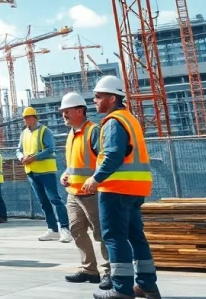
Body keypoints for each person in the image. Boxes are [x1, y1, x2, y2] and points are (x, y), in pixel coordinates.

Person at [81, 76, 159, 299]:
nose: (94, 101)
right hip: (135, 190)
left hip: (116, 190)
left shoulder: (113, 121)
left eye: (98, 96)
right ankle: (147, 285)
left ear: (112, 98)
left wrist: (95, 179)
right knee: (136, 237)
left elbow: (114, 155)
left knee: (114, 237)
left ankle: (122, 289)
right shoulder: (129, 119)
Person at [59, 92, 112, 291]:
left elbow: (105, 160)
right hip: (74, 193)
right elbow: (73, 165)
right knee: (76, 230)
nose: (63, 114)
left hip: (92, 193)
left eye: (67, 110)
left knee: (102, 234)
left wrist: (95, 181)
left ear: (80, 111)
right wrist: (65, 174)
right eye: (63, 111)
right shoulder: (71, 134)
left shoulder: (93, 132)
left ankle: (110, 272)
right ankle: (89, 270)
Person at [21, 106, 73, 242]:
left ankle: (65, 228)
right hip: (31, 172)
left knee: (55, 199)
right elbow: (18, 149)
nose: (26, 121)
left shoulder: (45, 131)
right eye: (24, 118)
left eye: (28, 118)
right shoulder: (24, 133)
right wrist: (21, 157)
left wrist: (34, 157)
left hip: (46, 171)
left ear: (34, 117)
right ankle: (52, 229)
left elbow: (50, 149)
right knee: (43, 202)